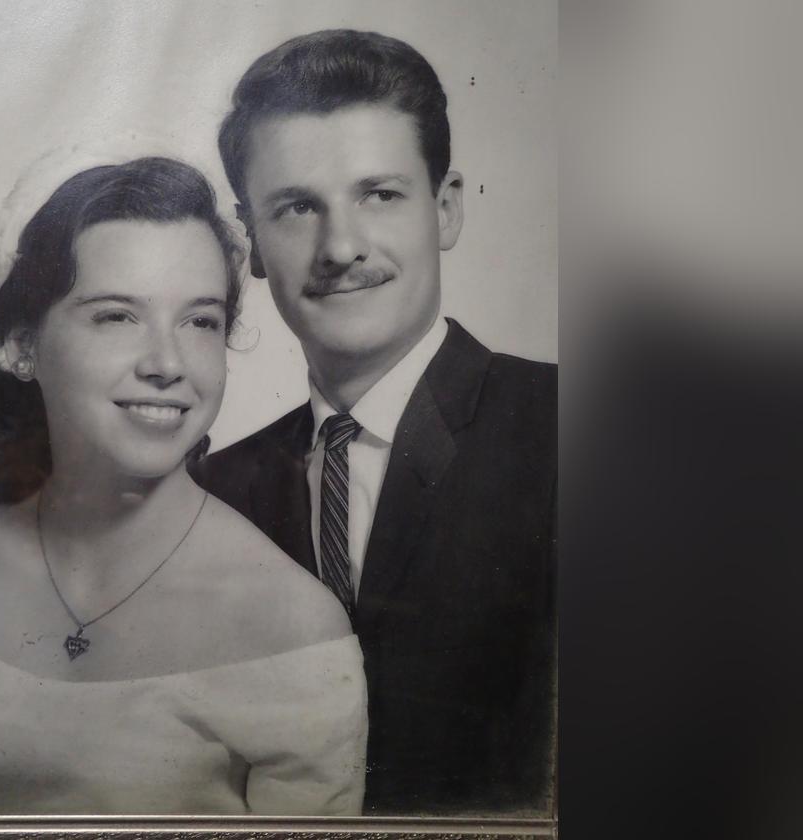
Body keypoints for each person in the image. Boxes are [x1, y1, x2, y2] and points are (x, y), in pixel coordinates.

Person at [0, 156, 367, 815]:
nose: (167, 364)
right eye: (117, 317)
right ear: (22, 348)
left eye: (200, 321)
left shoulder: (293, 627)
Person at [193, 31, 556, 815]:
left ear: (445, 208)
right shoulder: (210, 494)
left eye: (379, 195)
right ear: (250, 242)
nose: (341, 247)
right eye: (296, 207)